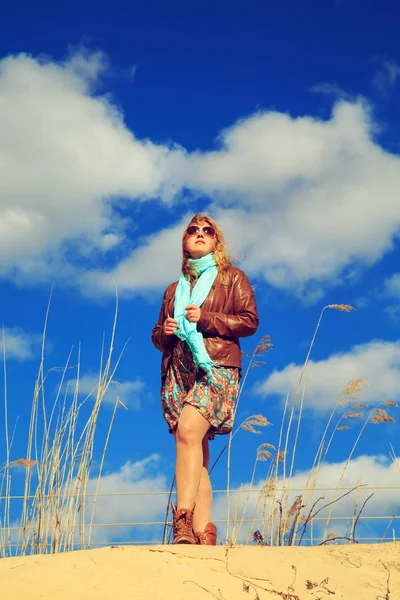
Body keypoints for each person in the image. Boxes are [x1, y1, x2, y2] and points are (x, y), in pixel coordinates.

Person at [151, 213, 259, 545]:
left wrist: (207, 318)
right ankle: (202, 534)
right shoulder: (174, 290)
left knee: (187, 432)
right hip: (179, 371)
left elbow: (249, 321)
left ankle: (181, 521)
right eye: (192, 230)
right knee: (193, 448)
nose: (199, 233)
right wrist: (165, 332)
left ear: (216, 242)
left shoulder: (232, 278)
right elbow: (156, 338)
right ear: (184, 243)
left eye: (207, 231)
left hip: (216, 365)